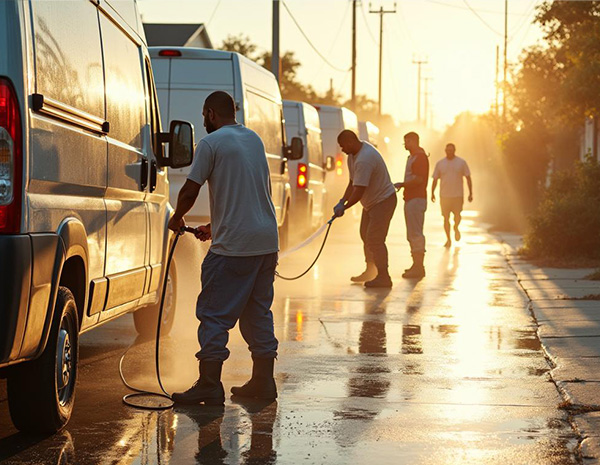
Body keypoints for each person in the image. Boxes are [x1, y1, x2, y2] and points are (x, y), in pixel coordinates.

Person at [167, 91, 279, 405]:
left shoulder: (210, 144)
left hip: (235, 248)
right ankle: (263, 382)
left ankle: (209, 385)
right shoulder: (253, 140)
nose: (204, 121)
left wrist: (177, 218)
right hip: (266, 242)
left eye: (205, 115)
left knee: (214, 313)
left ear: (211, 114)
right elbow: (252, 194)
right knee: (257, 312)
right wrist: (214, 228)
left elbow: (190, 190)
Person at [333, 130, 397, 288]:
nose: (342, 149)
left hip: (383, 201)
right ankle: (371, 270)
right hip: (371, 203)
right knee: (365, 235)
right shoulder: (352, 156)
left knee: (375, 239)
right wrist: (341, 200)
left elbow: (359, 190)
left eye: (342, 146)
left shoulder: (365, 159)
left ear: (350, 142)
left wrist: (345, 208)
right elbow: (352, 182)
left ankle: (384, 277)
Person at [394, 132, 429, 279]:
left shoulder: (420, 157)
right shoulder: (413, 157)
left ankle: (419, 267)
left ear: (414, 141)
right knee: (412, 233)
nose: (405, 145)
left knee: (415, 233)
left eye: (407, 141)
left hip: (416, 199)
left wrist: (402, 184)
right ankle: (416, 265)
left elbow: (418, 179)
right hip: (410, 199)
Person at [431, 143, 473, 248]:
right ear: (445, 151)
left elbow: (468, 178)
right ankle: (448, 239)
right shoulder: (440, 163)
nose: (449, 152)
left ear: (454, 151)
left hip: (458, 195)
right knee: (445, 218)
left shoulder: (461, 163)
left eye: (451, 150)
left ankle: (456, 227)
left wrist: (470, 193)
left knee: (457, 216)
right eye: (447, 150)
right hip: (444, 196)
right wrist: (432, 192)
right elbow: (435, 179)